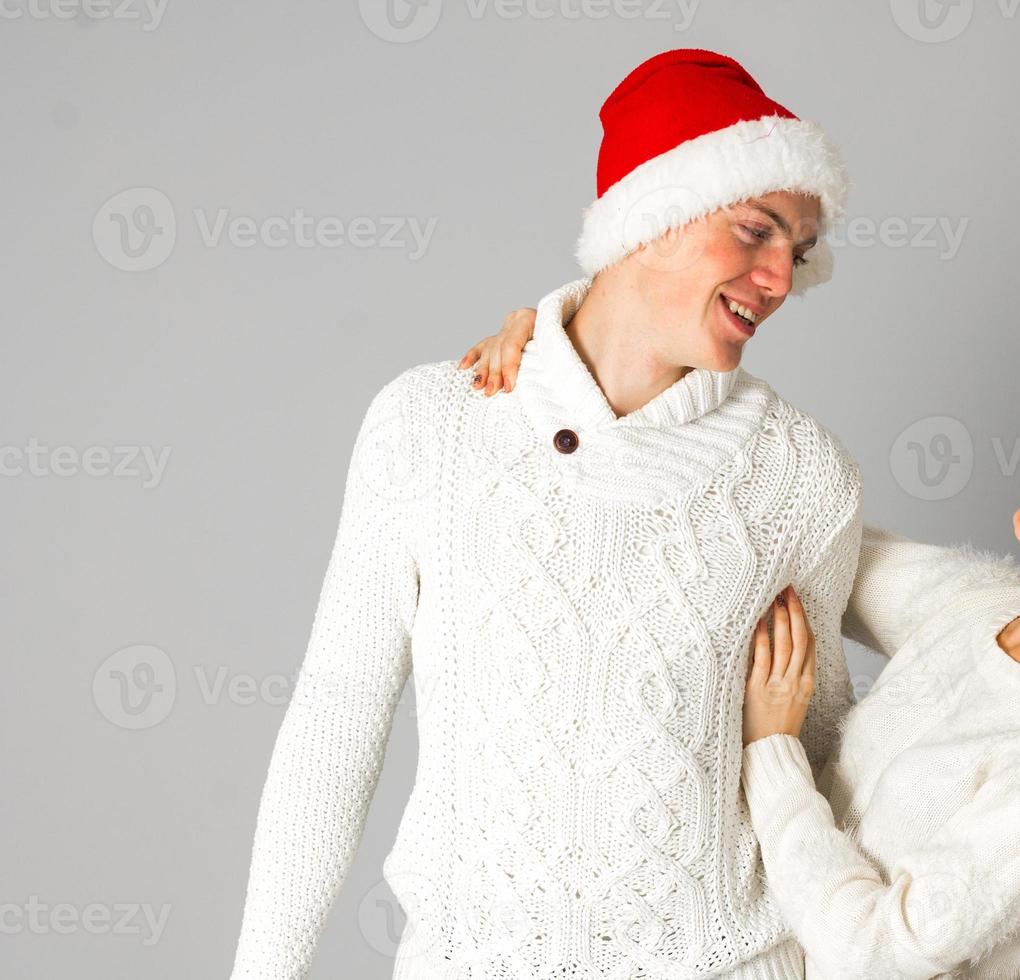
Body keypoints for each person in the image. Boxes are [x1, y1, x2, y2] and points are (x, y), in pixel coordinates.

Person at [229, 49, 864, 980]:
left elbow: (827, 769)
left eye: (797, 252)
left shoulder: (801, 475)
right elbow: (335, 723)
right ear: (653, 217)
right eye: (756, 232)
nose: (780, 277)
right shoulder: (434, 425)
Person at [463, 314, 1020, 980]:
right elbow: (800, 523)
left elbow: (875, 956)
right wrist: (583, 358)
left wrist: (771, 749)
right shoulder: (979, 606)